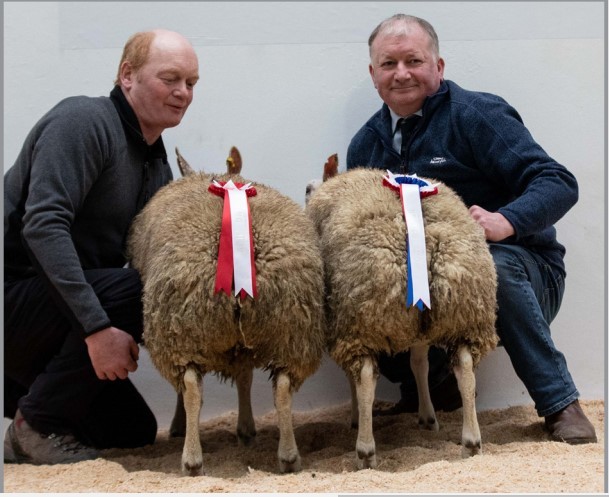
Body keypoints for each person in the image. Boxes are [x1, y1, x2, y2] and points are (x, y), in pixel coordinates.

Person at [347, 14, 596, 444]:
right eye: (389, 64)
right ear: (373, 75)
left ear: (438, 67)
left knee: (491, 267)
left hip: (521, 272)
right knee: (365, 285)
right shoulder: (365, 145)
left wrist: (506, 221)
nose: (401, 73)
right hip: (424, 281)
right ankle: (430, 388)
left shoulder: (476, 114)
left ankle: (561, 403)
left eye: (414, 60)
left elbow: (558, 182)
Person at [4, 29, 200, 464]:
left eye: (191, 83)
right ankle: (33, 423)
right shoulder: (83, 120)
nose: (183, 93)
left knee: (132, 430)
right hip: (12, 298)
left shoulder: (154, 160)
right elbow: (42, 227)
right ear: (126, 75)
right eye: (170, 78)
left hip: (51, 315)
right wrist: (96, 328)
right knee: (140, 290)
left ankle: (29, 401)